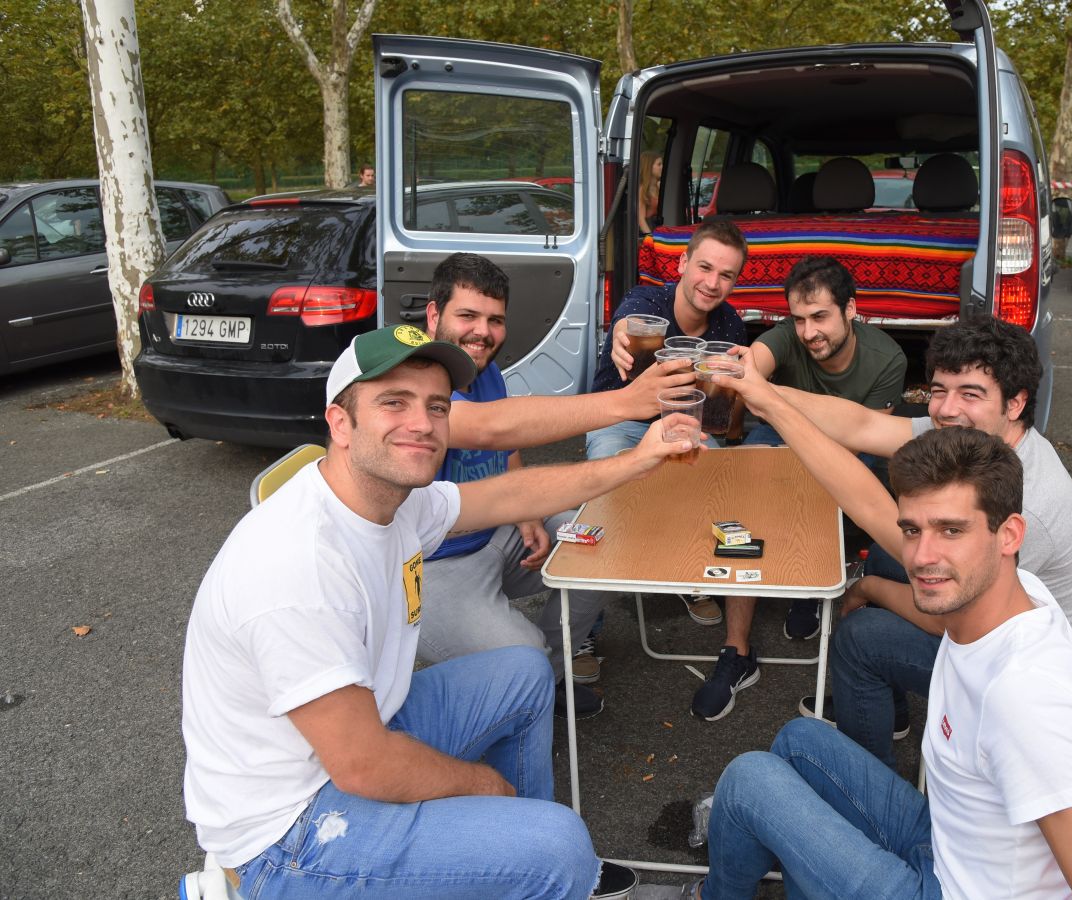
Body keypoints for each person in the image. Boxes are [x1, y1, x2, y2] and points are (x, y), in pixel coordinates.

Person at [181, 324, 695, 898]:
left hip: (353, 738)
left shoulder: (389, 499)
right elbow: (365, 766)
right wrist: (485, 787)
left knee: (525, 674)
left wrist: (640, 458)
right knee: (561, 843)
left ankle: (520, 869)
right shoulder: (298, 565)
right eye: (392, 402)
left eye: (436, 405)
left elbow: (507, 495)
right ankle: (538, 860)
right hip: (288, 831)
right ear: (341, 423)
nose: (422, 424)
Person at [674, 427, 1072, 900]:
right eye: (912, 530)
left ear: (1009, 535)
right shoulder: (1012, 596)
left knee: (748, 780)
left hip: (948, 890)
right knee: (800, 741)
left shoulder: (1025, 698)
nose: (922, 556)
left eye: (951, 530)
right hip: (947, 844)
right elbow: (868, 502)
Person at [720, 316, 1072, 768]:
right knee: (888, 562)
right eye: (938, 390)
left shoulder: (1026, 509)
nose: (947, 409)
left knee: (859, 636)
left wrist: (869, 591)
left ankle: (864, 786)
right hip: (1023, 640)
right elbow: (861, 425)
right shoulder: (979, 440)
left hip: (1051, 693)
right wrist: (757, 385)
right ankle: (881, 709)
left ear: (1015, 403)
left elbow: (946, 618)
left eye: (970, 394)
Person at [691, 255, 909, 722]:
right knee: (749, 487)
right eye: (799, 319)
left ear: (852, 310)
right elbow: (757, 360)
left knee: (831, 483)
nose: (809, 331)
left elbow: (865, 438)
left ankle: (809, 587)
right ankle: (737, 650)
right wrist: (741, 371)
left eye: (821, 317)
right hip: (780, 437)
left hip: (849, 447)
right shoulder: (788, 338)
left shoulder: (888, 358)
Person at [418, 252, 620, 719]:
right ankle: (524, 685)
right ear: (434, 315)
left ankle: (539, 688)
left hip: (495, 532)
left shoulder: (483, 370)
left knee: (599, 549)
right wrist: (626, 402)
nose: (482, 332)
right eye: (467, 315)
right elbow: (486, 428)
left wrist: (527, 512)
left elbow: (504, 448)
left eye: (495, 320)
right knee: (523, 654)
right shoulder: (413, 376)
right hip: (431, 567)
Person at [586, 218, 749, 626]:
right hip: (622, 418)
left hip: (685, 423)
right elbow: (630, 324)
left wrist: (728, 423)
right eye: (705, 268)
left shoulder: (730, 325)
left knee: (718, 486)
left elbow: (726, 403)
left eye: (726, 275)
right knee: (602, 498)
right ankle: (587, 619)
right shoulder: (648, 301)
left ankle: (691, 575)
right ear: (682, 263)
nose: (712, 283)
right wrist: (622, 339)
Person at [637, 150, 663, 237]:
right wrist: (651, 239)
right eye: (659, 164)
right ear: (649, 166)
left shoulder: (659, 187)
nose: (662, 167)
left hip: (659, 229)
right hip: (648, 230)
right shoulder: (642, 190)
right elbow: (640, 219)